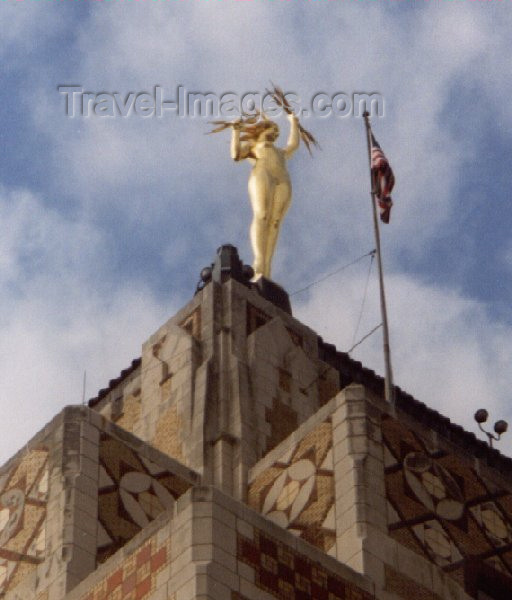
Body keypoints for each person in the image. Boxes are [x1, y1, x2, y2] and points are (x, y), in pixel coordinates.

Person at [230, 113, 300, 280]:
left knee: (275, 221)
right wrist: (236, 132)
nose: (276, 133)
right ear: (261, 129)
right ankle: (259, 261)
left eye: (277, 131)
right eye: (273, 129)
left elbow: (293, 144)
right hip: (262, 173)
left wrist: (294, 122)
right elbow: (235, 155)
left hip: (282, 179)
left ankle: (266, 266)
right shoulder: (253, 147)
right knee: (262, 214)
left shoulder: (280, 152)